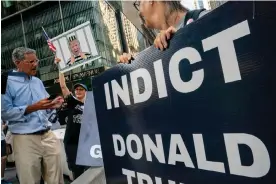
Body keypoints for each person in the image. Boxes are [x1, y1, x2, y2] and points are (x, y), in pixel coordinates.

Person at [1, 47, 64, 184]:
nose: (35, 64)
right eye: (30, 62)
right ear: (17, 63)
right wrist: (34, 107)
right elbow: (4, 113)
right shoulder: (5, 82)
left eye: (36, 61)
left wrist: (53, 104)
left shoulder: (37, 82)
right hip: (25, 140)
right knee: (30, 180)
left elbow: (45, 105)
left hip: (48, 135)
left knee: (57, 180)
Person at [119, 0, 208, 63]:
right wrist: (133, 66)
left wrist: (181, 39)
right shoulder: (159, 46)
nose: (139, 12)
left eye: (138, 3)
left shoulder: (203, 18)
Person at [56, 57, 88, 179]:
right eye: (76, 89)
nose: (78, 91)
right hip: (72, 143)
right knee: (77, 171)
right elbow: (63, 86)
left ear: (86, 91)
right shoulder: (72, 102)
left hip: (87, 143)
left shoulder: (91, 105)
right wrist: (60, 67)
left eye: (81, 89)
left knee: (90, 171)